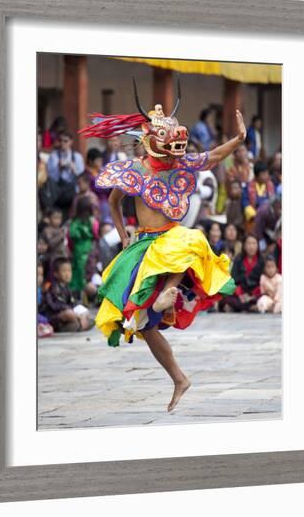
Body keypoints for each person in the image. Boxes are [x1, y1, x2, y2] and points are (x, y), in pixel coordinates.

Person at [78, 76, 246, 412]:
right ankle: (179, 377)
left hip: (170, 237)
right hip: (145, 245)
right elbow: (113, 202)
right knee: (142, 325)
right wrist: (125, 236)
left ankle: (168, 295)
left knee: (189, 242)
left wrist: (239, 139)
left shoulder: (180, 162)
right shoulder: (135, 171)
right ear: (151, 140)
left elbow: (211, 157)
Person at [44, 257, 95, 332]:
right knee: (69, 314)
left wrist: (80, 313)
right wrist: (69, 310)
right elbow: (54, 305)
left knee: (89, 317)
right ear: (56, 274)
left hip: (70, 315)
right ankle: (76, 326)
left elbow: (73, 303)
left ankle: (78, 325)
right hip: (56, 316)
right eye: (64, 271)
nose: (67, 274)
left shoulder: (67, 287)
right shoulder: (52, 287)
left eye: (69, 271)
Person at [219, 234, 264, 313]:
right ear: (244, 246)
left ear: (258, 245)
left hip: (255, 293)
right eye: (249, 243)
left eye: (254, 243)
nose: (251, 247)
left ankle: (242, 307)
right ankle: (249, 307)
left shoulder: (262, 260)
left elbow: (263, 282)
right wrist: (240, 295)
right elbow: (234, 280)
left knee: (263, 298)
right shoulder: (238, 259)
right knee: (225, 296)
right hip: (240, 292)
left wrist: (252, 295)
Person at [67, 196, 100, 301]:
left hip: (77, 251)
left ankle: (79, 299)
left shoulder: (73, 222)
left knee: (78, 275)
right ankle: (89, 299)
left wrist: (72, 249)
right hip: (89, 251)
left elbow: (70, 238)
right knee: (87, 275)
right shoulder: (93, 221)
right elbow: (96, 235)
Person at [47, 131, 85, 218]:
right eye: (60, 140)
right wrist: (59, 169)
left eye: (65, 141)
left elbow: (82, 177)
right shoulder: (53, 156)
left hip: (72, 192)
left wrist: (74, 169)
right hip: (58, 193)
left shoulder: (77, 157)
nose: (62, 143)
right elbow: (51, 176)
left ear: (71, 142)